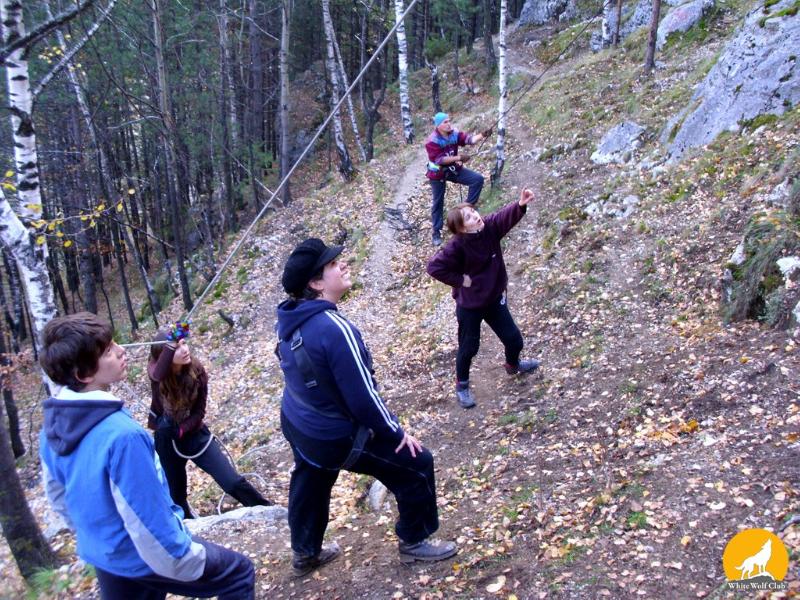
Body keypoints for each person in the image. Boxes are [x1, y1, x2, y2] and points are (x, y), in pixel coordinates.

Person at [38, 312, 255, 600]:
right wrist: (183, 557)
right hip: (143, 556)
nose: (121, 350)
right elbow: (150, 529)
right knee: (238, 573)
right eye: (108, 350)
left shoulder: (52, 427)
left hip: (107, 554)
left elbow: (59, 497)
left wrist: (101, 535)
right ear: (83, 374)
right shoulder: (123, 436)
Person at [276, 238, 457, 577]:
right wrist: (396, 433)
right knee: (417, 463)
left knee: (311, 477)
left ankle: (305, 553)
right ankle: (414, 541)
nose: (343, 265)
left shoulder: (289, 320)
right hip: (332, 435)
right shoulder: (334, 329)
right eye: (333, 265)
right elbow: (363, 398)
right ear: (316, 283)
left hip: (298, 423)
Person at [427, 188, 542, 409]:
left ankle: (513, 365)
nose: (475, 216)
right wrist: (461, 280)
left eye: (473, 212)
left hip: (494, 299)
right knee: (469, 347)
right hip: (470, 305)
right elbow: (434, 267)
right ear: (462, 228)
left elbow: (502, 217)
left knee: (514, 340)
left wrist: (520, 204)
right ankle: (462, 386)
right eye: (469, 217)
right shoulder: (456, 246)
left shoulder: (488, 228)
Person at [148, 331, 272, 518]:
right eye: (176, 347)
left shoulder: (196, 371)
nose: (184, 350)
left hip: (194, 434)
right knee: (176, 496)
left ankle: (268, 510)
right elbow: (158, 374)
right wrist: (165, 427)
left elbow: (199, 411)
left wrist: (182, 429)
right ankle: (189, 527)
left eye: (184, 343)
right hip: (166, 440)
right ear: (164, 355)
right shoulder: (157, 375)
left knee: (231, 481)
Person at [425, 112, 492, 246]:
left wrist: (482, 135)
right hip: (437, 173)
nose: (449, 124)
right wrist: (459, 157)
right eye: (445, 122)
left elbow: (469, 140)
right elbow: (439, 160)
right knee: (438, 202)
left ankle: (466, 210)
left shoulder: (454, 133)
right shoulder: (432, 141)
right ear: (438, 126)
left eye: (449, 121)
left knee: (477, 180)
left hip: (453, 169)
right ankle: (436, 232)